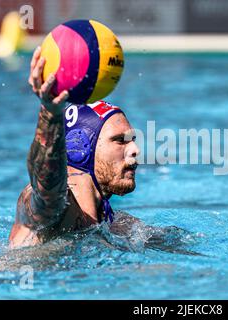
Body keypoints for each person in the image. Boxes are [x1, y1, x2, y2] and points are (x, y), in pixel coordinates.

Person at [9, 47, 143, 248]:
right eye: (120, 140)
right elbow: (45, 183)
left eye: (132, 139)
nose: (135, 149)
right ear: (82, 148)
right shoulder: (58, 207)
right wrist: (50, 112)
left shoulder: (117, 224)